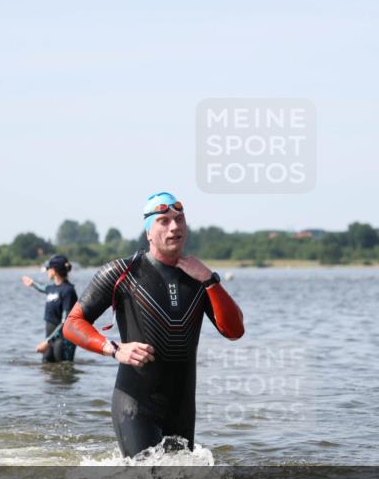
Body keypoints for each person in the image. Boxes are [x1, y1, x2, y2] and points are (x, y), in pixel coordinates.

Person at [63, 191, 244, 457]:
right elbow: (72, 323)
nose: (174, 226)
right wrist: (114, 349)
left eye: (180, 219)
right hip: (135, 404)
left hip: (181, 408)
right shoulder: (123, 272)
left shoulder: (200, 277)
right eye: (164, 220)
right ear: (149, 231)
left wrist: (209, 279)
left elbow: (235, 331)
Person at [22, 254, 78, 363]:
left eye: (48, 268)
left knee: (63, 372)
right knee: (47, 370)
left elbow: (65, 322)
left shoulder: (68, 291)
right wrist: (32, 283)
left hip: (63, 341)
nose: (47, 271)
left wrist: (47, 342)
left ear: (54, 270)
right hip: (50, 340)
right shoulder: (51, 288)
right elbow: (42, 288)